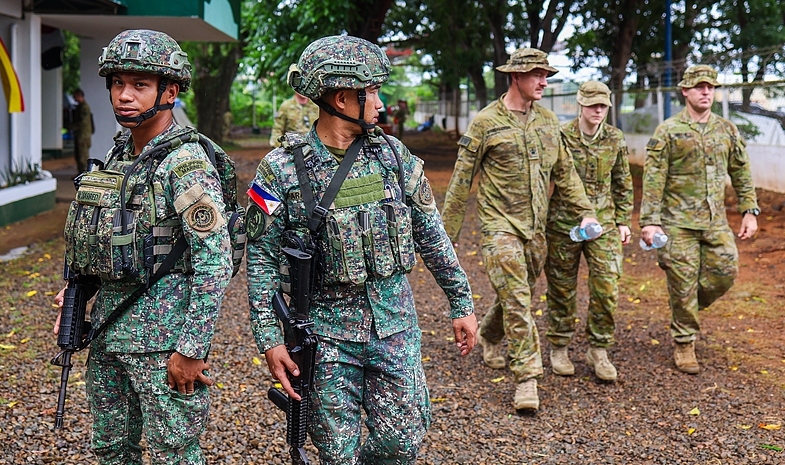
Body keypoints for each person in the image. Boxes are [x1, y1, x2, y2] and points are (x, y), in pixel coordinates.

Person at [246, 35, 477, 464]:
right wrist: (269, 338)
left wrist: (460, 301)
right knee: (338, 453)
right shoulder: (278, 169)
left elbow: (431, 232)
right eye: (370, 91)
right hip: (325, 334)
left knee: (403, 440)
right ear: (341, 97)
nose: (379, 102)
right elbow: (260, 254)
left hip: (394, 325)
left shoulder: (394, 156)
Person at [54, 29, 233, 464]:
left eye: (139, 85)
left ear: (169, 92)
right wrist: (82, 290)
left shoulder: (185, 165)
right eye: (118, 83)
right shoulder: (119, 157)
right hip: (109, 333)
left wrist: (191, 348)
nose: (124, 96)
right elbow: (117, 238)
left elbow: (216, 261)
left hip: (164, 343)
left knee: (175, 453)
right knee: (112, 450)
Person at [442, 48, 598, 411]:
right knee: (518, 298)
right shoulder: (486, 122)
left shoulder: (548, 122)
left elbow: (566, 175)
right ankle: (527, 378)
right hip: (499, 228)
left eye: (547, 75)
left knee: (517, 296)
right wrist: (447, 233)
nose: (544, 82)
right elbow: (462, 180)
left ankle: (491, 335)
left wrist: (587, 213)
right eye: (536, 75)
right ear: (516, 77)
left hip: (536, 231)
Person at [640, 64, 758, 374]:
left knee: (725, 272)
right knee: (682, 283)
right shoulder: (668, 131)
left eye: (711, 87)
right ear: (685, 91)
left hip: (715, 220)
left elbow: (741, 172)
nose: (706, 91)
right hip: (677, 223)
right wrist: (650, 221)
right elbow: (654, 178)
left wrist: (749, 210)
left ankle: (686, 309)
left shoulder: (726, 130)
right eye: (699, 87)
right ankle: (684, 342)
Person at [544, 81, 633, 382]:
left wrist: (623, 220)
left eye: (603, 106)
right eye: (592, 104)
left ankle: (599, 347)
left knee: (607, 285)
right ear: (580, 104)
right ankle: (559, 345)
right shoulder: (562, 136)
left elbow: (623, 181)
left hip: (604, 223)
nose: (598, 110)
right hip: (563, 223)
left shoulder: (614, 138)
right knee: (561, 287)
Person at [71, 88, 94, 174]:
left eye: (75, 96)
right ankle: (80, 173)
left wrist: (73, 127)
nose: (74, 98)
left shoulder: (84, 107)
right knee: (78, 155)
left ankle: (85, 174)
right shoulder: (80, 107)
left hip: (83, 135)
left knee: (82, 156)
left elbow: (83, 122)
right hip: (80, 134)